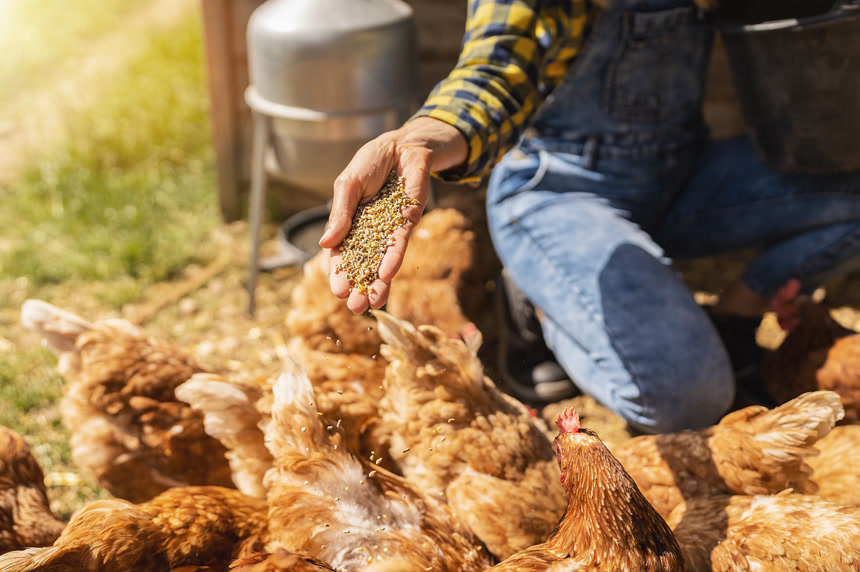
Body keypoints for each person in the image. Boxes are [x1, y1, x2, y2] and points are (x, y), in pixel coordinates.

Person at [319, 0, 860, 434]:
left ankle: (738, 316)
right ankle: (543, 298)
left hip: (682, 170)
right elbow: (493, 67)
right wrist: (419, 139)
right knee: (688, 397)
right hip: (561, 187)